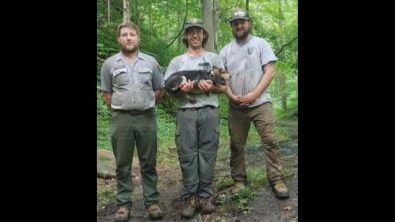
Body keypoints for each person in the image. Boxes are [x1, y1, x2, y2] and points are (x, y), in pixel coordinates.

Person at [219, 8, 290, 199]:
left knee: (270, 141)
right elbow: (222, 78)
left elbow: (270, 71)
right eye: (235, 23)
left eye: (242, 22)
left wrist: (253, 94)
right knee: (236, 144)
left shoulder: (261, 44)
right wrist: (232, 97)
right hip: (236, 107)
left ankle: (277, 180)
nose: (239, 26)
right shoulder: (226, 50)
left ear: (249, 23)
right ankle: (239, 180)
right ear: (231, 26)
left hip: (260, 103)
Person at [163, 18, 227, 219]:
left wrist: (212, 87)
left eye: (198, 31)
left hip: (209, 110)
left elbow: (223, 86)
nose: (195, 35)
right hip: (186, 113)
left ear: (204, 34)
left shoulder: (214, 58)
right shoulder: (177, 62)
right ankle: (191, 197)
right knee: (187, 154)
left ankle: (205, 196)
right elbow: (168, 91)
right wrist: (182, 91)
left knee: (208, 152)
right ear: (186, 36)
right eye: (191, 31)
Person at [100, 21, 165, 221]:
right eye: (124, 34)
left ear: (138, 38)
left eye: (132, 34)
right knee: (122, 164)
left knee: (149, 162)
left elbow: (159, 90)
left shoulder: (151, 62)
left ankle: (152, 202)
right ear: (119, 38)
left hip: (146, 118)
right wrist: (122, 109)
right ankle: (123, 205)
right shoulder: (110, 64)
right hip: (121, 120)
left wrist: (145, 105)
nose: (129, 38)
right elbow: (107, 93)